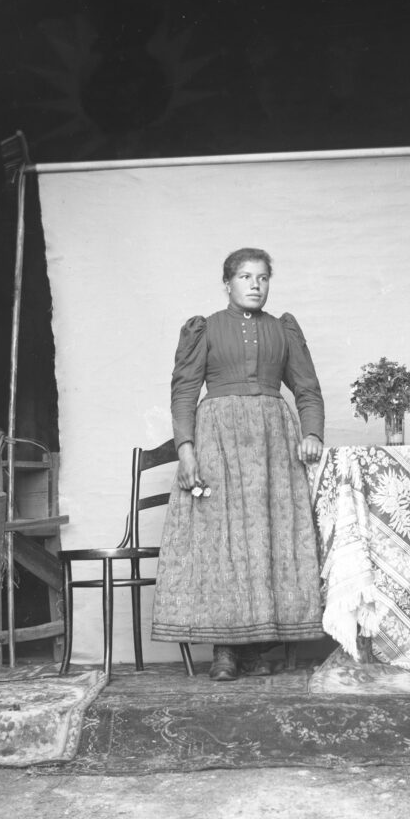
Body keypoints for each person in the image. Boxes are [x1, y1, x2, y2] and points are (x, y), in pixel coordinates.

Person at [151, 248, 326, 680]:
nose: (255, 285)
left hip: (273, 444)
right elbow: (184, 392)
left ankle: (257, 647)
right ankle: (225, 652)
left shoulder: (282, 330)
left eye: (262, 278)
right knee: (221, 543)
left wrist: (312, 433)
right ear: (227, 283)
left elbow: (307, 389)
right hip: (218, 440)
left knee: (268, 541)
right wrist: (186, 449)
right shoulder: (206, 328)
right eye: (245, 277)